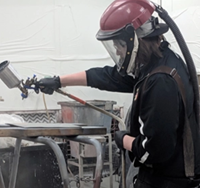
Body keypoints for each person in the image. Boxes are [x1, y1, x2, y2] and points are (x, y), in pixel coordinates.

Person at [36, 0, 200, 187]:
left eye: (118, 46)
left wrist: (124, 140)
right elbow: (108, 76)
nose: (117, 52)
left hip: (168, 182)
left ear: (134, 40)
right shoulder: (155, 64)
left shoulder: (160, 81)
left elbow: (155, 151)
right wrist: (59, 81)